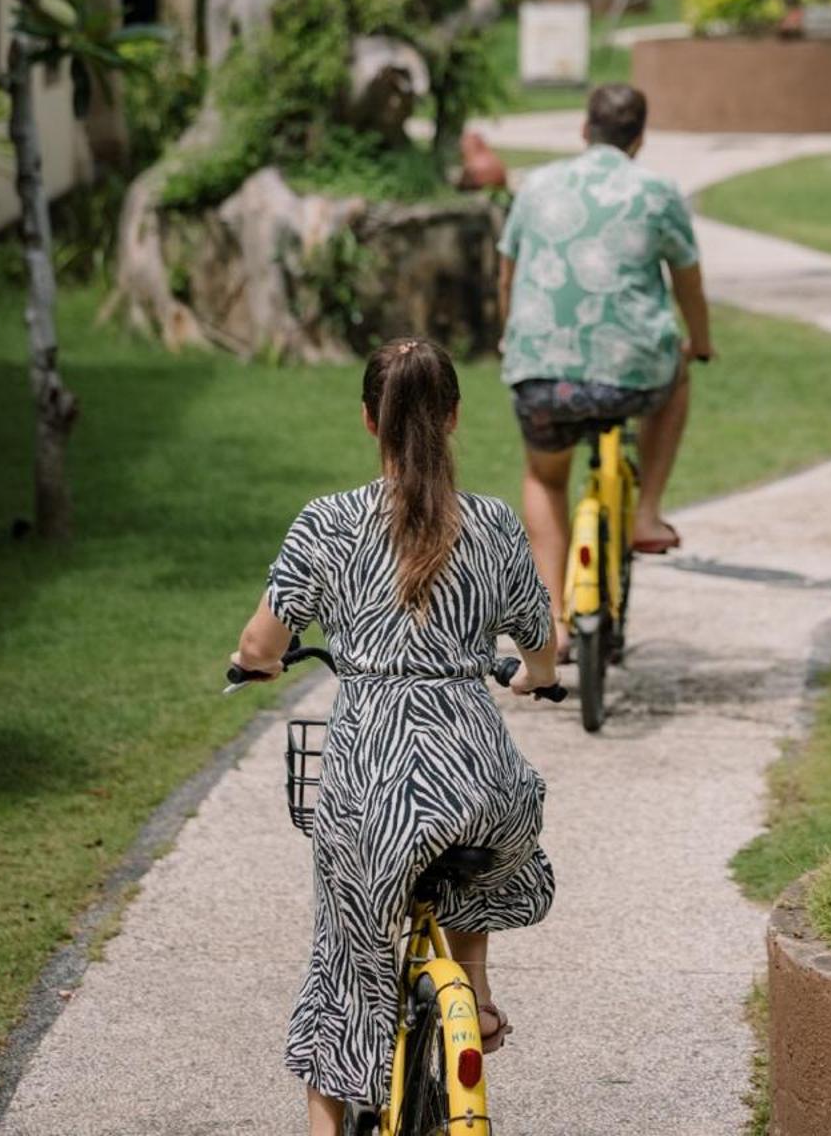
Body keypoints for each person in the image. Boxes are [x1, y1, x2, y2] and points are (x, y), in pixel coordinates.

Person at [231, 336, 560, 1136]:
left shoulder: (328, 523)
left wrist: (253, 666)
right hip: (482, 781)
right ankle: (473, 998)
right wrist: (535, 677)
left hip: (371, 785)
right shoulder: (491, 523)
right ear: (451, 419)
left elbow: (260, 644)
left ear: (368, 421)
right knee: (481, 856)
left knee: (345, 971)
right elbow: (541, 642)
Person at [497, 82, 714, 653]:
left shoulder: (536, 185)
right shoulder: (657, 191)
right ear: (639, 138)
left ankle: (554, 623)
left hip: (539, 374)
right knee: (679, 374)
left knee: (546, 476)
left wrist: (510, 337)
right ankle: (645, 514)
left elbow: (508, 273)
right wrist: (701, 341)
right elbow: (687, 280)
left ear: (583, 130)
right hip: (633, 376)